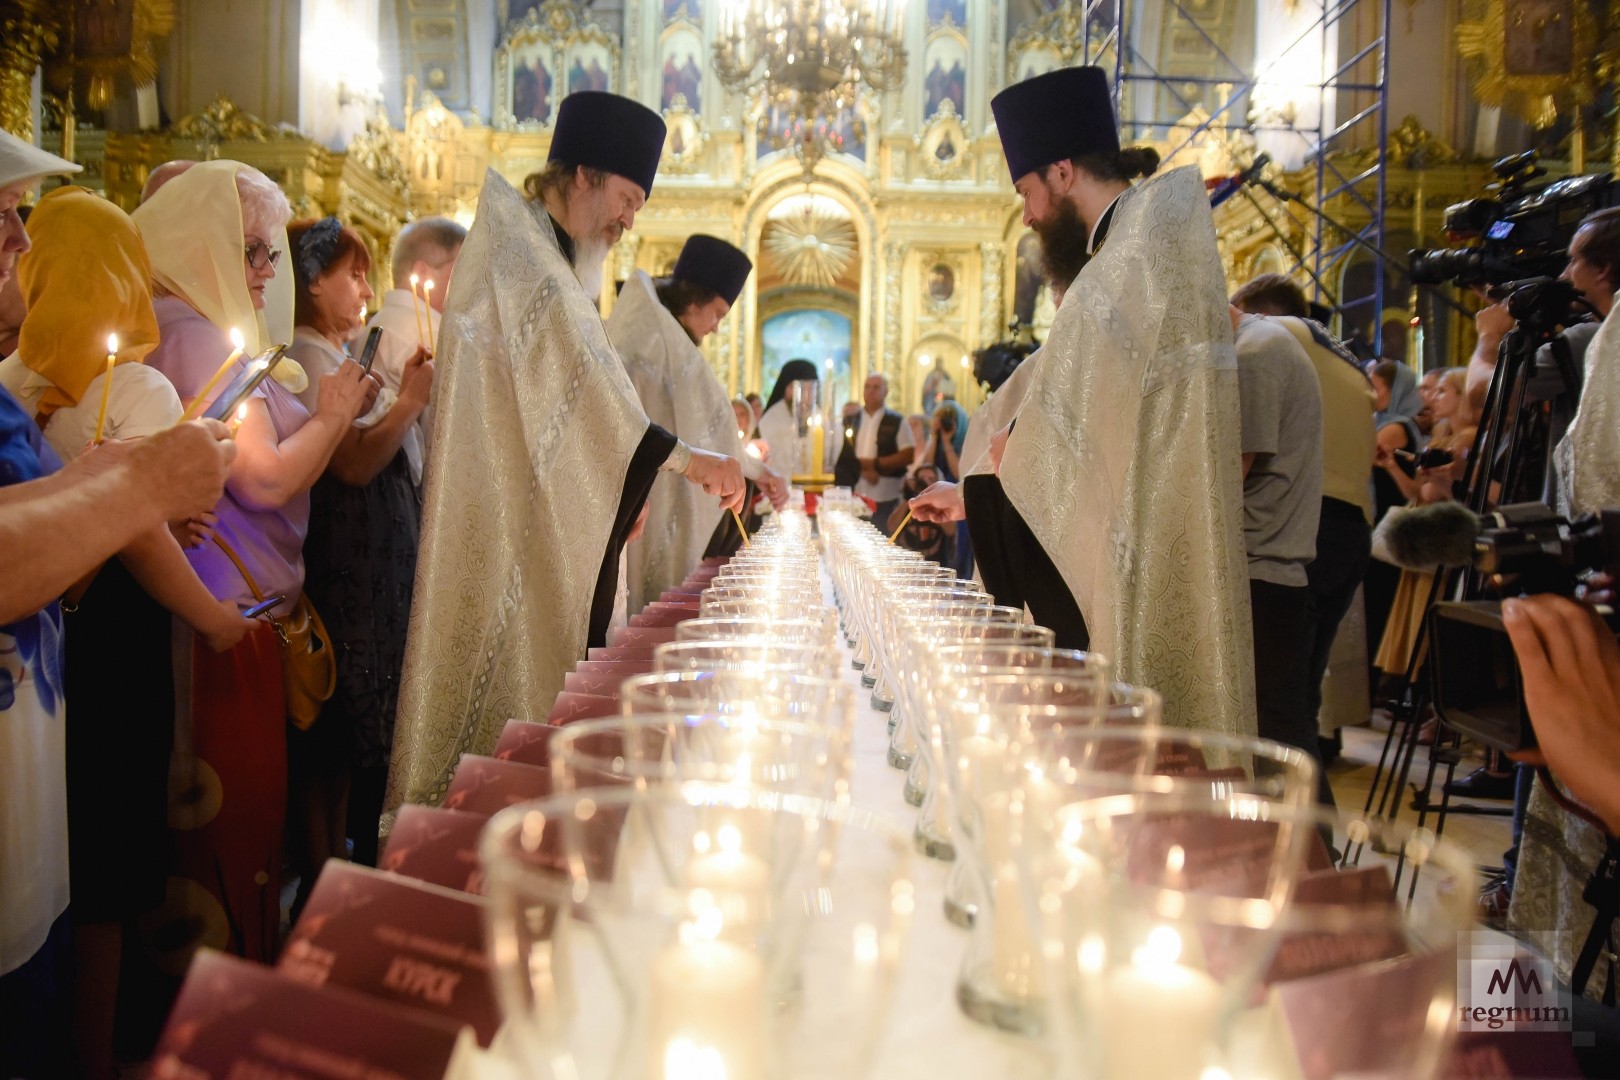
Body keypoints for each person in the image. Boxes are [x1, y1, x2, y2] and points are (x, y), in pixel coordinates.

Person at [388, 91, 744, 814]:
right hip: (498, 533)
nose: (628, 219)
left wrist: (614, 497)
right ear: (581, 175)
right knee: (492, 728)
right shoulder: (525, 258)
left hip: (522, 519)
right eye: (626, 196)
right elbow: (593, 402)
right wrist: (690, 463)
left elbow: (564, 414)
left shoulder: (546, 256)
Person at [1, 184, 261, 1079]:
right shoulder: (143, 385)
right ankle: (101, 1052)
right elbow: (144, 526)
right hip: (109, 632)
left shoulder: (13, 379)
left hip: (60, 631)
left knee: (74, 841)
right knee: (110, 855)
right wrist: (216, 611)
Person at [912, 67, 1255, 737]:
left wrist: (1000, 466)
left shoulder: (1131, 262)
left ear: (1062, 173)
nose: (1029, 214)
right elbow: (1084, 421)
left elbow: (1059, 434)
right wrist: (977, 487)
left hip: (1141, 568)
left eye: (1027, 191)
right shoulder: (1137, 248)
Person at [132, 161, 376, 971]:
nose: (270, 273)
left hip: (225, 618)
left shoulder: (182, 322)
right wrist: (337, 415)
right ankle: (219, 1019)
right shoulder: (196, 332)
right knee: (229, 839)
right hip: (218, 625)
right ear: (199, 242)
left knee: (234, 838)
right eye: (254, 253)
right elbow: (265, 478)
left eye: (269, 254)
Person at [285, 217, 434, 893]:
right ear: (313, 282)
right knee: (331, 743)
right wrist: (407, 404)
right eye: (353, 274)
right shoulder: (310, 357)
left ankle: (336, 873)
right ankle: (323, 888)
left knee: (345, 748)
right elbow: (351, 465)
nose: (366, 290)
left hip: (366, 560)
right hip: (344, 561)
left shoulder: (332, 352)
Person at [1231, 275, 1376, 768]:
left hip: (1296, 521)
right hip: (1349, 524)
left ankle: (1308, 834)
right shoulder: (1339, 352)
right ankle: (1310, 826)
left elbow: (1240, 461)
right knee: (1299, 703)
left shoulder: (1267, 342)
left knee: (1279, 713)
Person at [610, 233, 785, 607]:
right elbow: (713, 425)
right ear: (694, 298)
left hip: (653, 483)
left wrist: (757, 470)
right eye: (718, 313)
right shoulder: (653, 340)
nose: (717, 326)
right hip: (638, 493)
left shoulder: (666, 337)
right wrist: (756, 470)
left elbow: (708, 427)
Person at [1231, 306, 1327, 802]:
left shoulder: (1254, 355)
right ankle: (1316, 862)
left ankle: (1317, 863)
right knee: (1281, 730)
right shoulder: (1260, 344)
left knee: (1279, 735)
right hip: (1267, 570)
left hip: (1260, 572)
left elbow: (1226, 477)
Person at [364, 215, 466, 489]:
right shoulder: (432, 334)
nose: (470, 282)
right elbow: (448, 436)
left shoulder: (378, 322)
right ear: (422, 274)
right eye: (462, 268)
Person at [833, 372, 914, 528]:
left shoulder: (897, 421)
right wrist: (864, 470)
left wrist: (876, 465)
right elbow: (842, 455)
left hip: (886, 494)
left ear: (886, 391)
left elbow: (907, 455)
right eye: (867, 387)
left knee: (882, 537)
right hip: (855, 491)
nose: (871, 391)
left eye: (876, 387)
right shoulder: (851, 420)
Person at [756, 358, 820, 474]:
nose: (803, 395)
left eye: (809, 388)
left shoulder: (825, 422)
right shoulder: (768, 422)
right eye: (796, 388)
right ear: (785, 388)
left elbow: (848, 467)